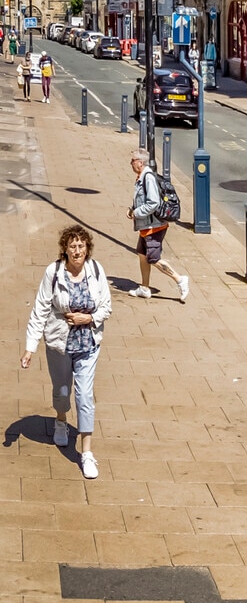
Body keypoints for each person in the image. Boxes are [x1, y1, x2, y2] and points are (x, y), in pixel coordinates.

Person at [20, 223, 112, 479]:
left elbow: (106, 306)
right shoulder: (54, 272)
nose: (77, 251)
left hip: (88, 344)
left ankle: (87, 454)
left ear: (87, 248)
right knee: (62, 391)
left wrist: (89, 319)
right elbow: (39, 310)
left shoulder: (95, 270)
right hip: (59, 344)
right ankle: (61, 420)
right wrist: (30, 348)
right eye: (72, 246)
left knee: (85, 396)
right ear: (65, 249)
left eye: (81, 246)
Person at [129, 151, 189, 302]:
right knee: (142, 255)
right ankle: (144, 288)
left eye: (133, 160)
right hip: (146, 225)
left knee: (153, 258)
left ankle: (180, 280)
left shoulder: (148, 178)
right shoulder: (142, 177)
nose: (131, 163)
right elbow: (142, 199)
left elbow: (153, 202)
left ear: (140, 163)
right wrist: (132, 209)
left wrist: (136, 212)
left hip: (154, 226)